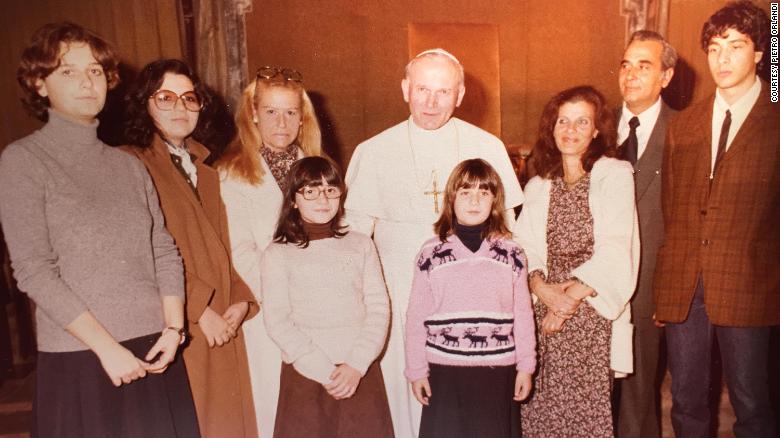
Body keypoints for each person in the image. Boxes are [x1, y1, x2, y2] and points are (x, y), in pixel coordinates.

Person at [0, 22, 199, 437]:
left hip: (154, 348)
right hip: (83, 358)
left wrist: (174, 329)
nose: (87, 82)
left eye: (94, 71)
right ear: (39, 84)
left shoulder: (129, 165)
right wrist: (106, 348)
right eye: (68, 71)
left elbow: (162, 248)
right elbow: (33, 270)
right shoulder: (23, 161)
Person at [344, 48, 523, 437]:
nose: (430, 102)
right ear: (405, 88)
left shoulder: (487, 147)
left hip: (468, 305)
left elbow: (504, 234)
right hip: (397, 296)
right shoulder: (373, 151)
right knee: (403, 401)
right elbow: (354, 242)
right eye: (422, 89)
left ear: (459, 95)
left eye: (443, 92)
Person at [654, 2, 779, 436]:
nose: (722, 59)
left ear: (760, 52)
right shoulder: (683, 126)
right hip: (685, 288)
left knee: (753, 405)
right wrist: (665, 287)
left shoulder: (775, 118)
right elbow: (672, 212)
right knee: (686, 404)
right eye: (714, 47)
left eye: (736, 46)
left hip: (750, 285)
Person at [122, 59, 258, 437]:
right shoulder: (131, 163)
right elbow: (140, 252)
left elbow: (224, 246)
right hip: (175, 321)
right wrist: (200, 310)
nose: (180, 108)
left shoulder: (207, 168)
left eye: (189, 98)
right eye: (166, 97)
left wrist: (241, 301)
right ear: (144, 103)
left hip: (222, 319)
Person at [513, 85, 639, 437]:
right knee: (540, 413)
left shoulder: (614, 174)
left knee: (584, 417)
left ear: (597, 129)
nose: (570, 130)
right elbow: (525, 246)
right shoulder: (538, 185)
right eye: (563, 121)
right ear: (552, 129)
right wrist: (541, 287)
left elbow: (617, 245)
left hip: (590, 311)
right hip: (543, 308)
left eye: (581, 122)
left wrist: (567, 300)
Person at [215, 66, 322, 437]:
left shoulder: (315, 168)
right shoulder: (232, 172)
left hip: (318, 309)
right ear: (253, 114)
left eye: (291, 112)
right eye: (272, 111)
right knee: (272, 408)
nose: (282, 121)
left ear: (302, 117)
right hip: (267, 309)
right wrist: (282, 298)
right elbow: (240, 249)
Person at [260, 156, 393, 438]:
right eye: (311, 191)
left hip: (359, 374)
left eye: (331, 190)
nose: (323, 199)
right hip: (308, 377)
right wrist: (323, 370)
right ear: (294, 199)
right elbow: (277, 320)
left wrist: (356, 364)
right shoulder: (277, 253)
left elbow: (379, 308)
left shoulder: (361, 244)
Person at [404, 159, 535, 438]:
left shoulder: (512, 253)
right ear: (451, 198)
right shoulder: (431, 253)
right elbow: (416, 317)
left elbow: (524, 314)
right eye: (465, 192)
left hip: (496, 372)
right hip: (444, 373)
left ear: (495, 200)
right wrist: (416, 370)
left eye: (483, 193)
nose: (474, 201)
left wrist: (526, 367)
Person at [614, 30, 677, 438]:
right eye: (625, 64)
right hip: (590, 287)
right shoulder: (594, 127)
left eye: (644, 65)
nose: (631, 75)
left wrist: (669, 292)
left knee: (638, 398)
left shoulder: (685, 132)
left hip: (648, 289)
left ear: (666, 76)